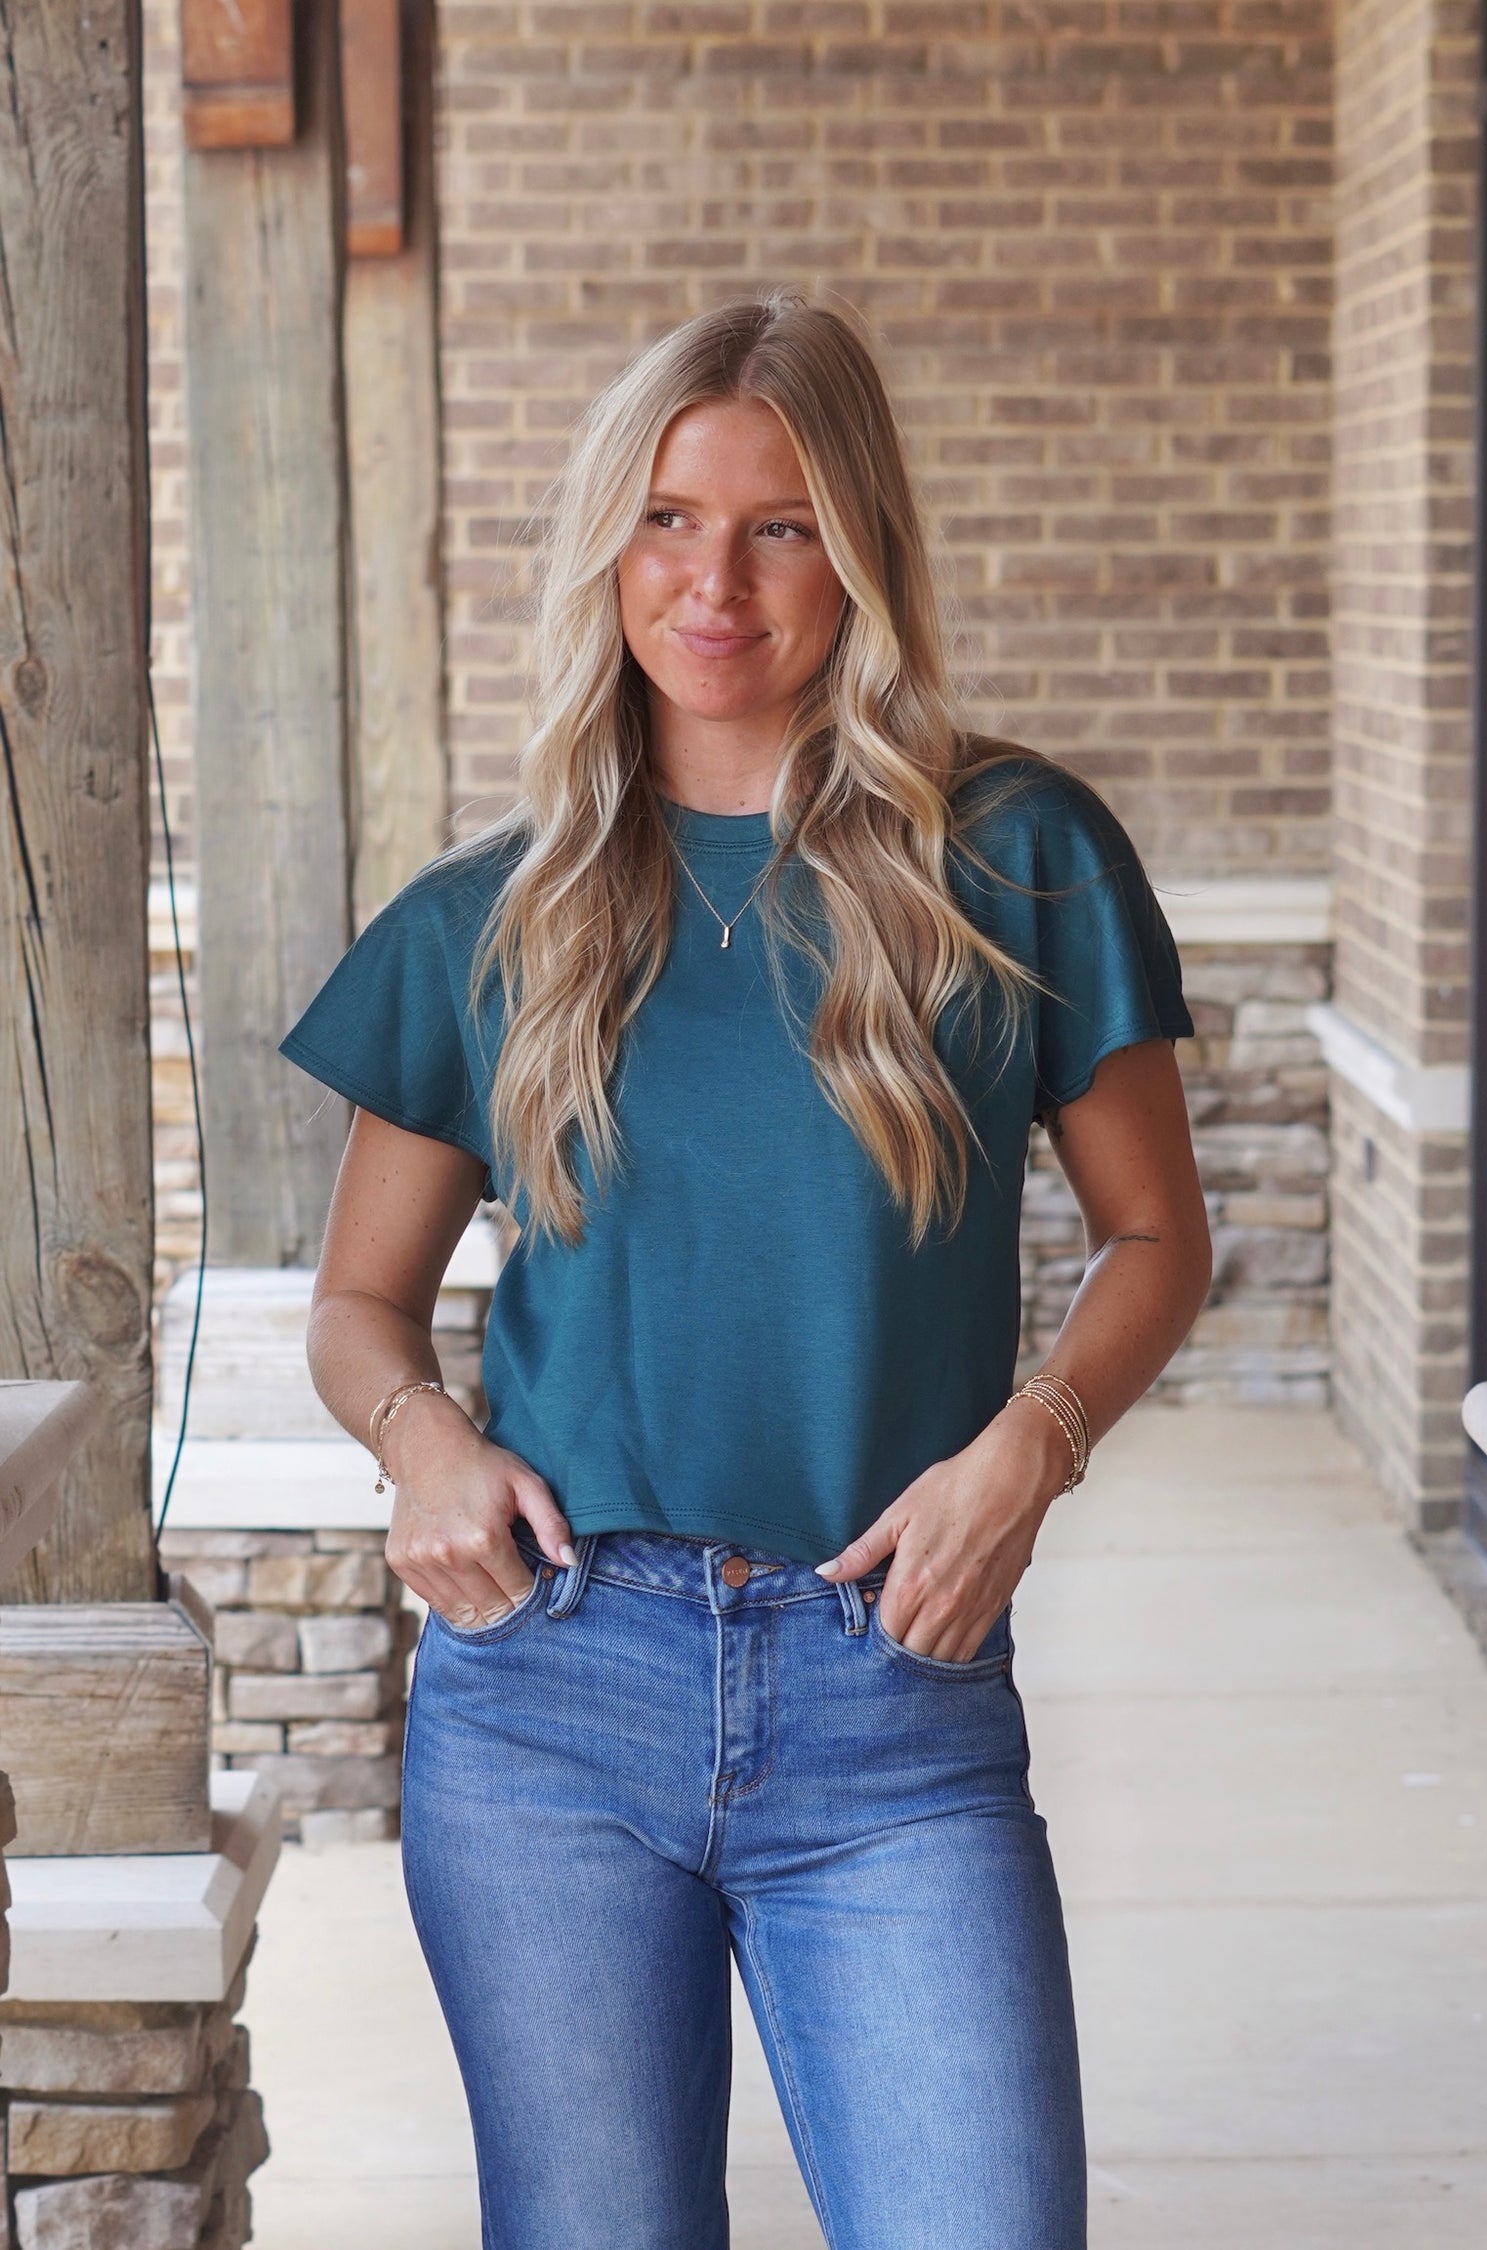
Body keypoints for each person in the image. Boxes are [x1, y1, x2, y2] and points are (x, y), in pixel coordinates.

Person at [281, 290, 1213, 2250]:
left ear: (858, 552)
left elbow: (1157, 1238)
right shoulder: (495, 918)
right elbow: (361, 1307)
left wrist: (1025, 1451)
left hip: (895, 1694)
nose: (717, 578)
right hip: (548, 1703)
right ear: (609, 548)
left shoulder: (1018, 858)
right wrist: (426, 1451)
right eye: (669, 520)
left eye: (781, 523)